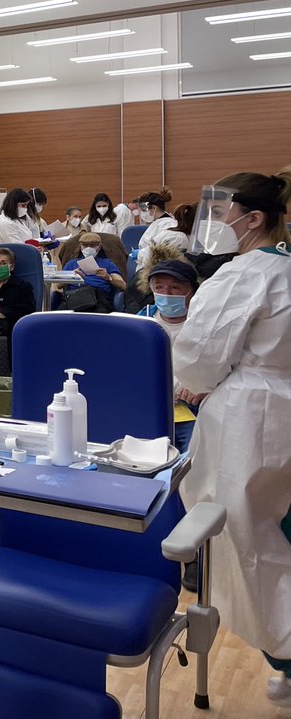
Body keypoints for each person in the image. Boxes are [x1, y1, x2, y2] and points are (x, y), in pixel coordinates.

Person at [173, 167, 291, 707]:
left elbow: (199, 359)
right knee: (277, 530)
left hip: (252, 419)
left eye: (223, 214)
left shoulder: (244, 274)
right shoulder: (283, 268)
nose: (217, 223)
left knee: (250, 541)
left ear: (254, 219)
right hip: (276, 409)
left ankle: (286, 654)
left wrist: (200, 382)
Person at [136, 257, 202, 452]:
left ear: (191, 291)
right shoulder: (141, 323)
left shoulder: (205, 324)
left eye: (175, 288)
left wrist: (202, 386)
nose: (166, 294)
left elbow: (224, 366)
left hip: (192, 409)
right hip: (148, 407)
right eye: (159, 287)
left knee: (194, 455)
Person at [58, 232, 125, 312]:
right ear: (80, 247)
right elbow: (59, 285)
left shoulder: (107, 263)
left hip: (98, 299)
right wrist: (72, 276)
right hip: (74, 298)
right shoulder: (72, 263)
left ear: (99, 247)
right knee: (60, 313)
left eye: (92, 245)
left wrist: (108, 277)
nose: (88, 248)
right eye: (85, 245)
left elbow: (123, 285)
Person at [136, 188, 188, 266]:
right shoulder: (158, 223)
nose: (142, 213)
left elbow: (160, 252)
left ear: (154, 208)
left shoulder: (169, 225)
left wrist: (140, 254)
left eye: (144, 210)